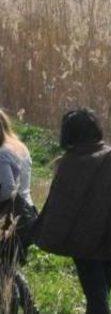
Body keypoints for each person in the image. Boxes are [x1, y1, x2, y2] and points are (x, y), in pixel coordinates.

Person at [35, 108, 111, 314]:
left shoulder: (67, 163)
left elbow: (58, 206)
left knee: (96, 295)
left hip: (82, 242)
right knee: (101, 291)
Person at [0, 109, 39, 314]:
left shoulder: (2, 152)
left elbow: (7, 189)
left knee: (4, 269)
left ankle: (11, 306)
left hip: (10, 218)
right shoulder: (19, 147)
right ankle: (30, 308)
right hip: (27, 214)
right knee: (8, 267)